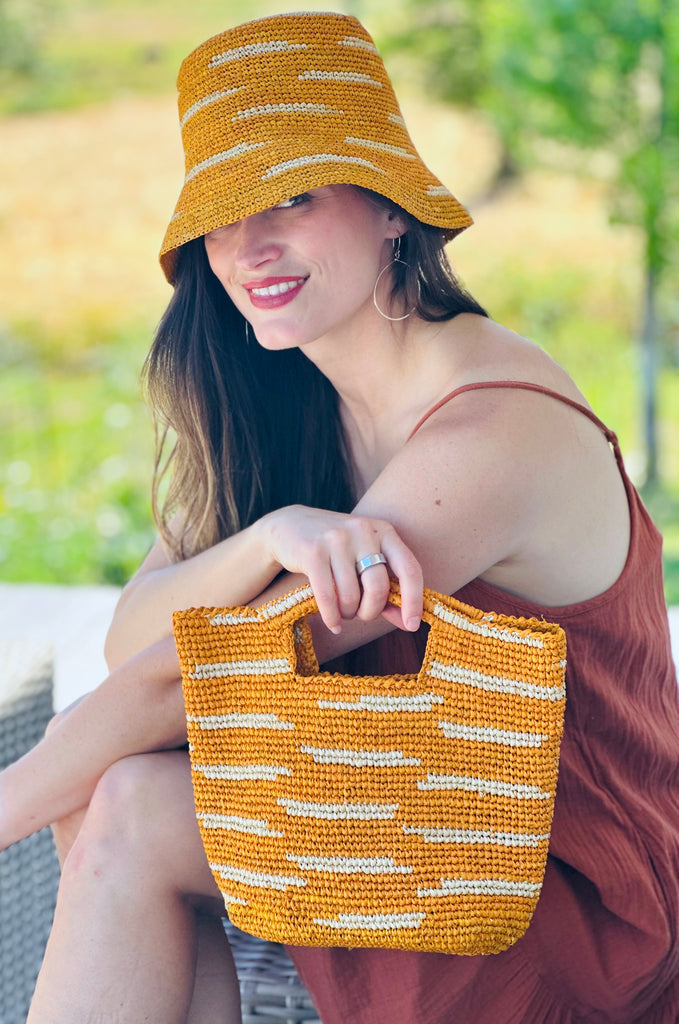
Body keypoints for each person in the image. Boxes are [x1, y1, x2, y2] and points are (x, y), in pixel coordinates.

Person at [0, 10, 677, 1022]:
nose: (248, 248)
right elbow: (131, 632)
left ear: (393, 209)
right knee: (121, 799)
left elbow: (187, 680)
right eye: (218, 219)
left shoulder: (491, 429)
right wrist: (269, 535)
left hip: (547, 882)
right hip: (383, 802)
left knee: (127, 800)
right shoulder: (285, 400)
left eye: (291, 199)